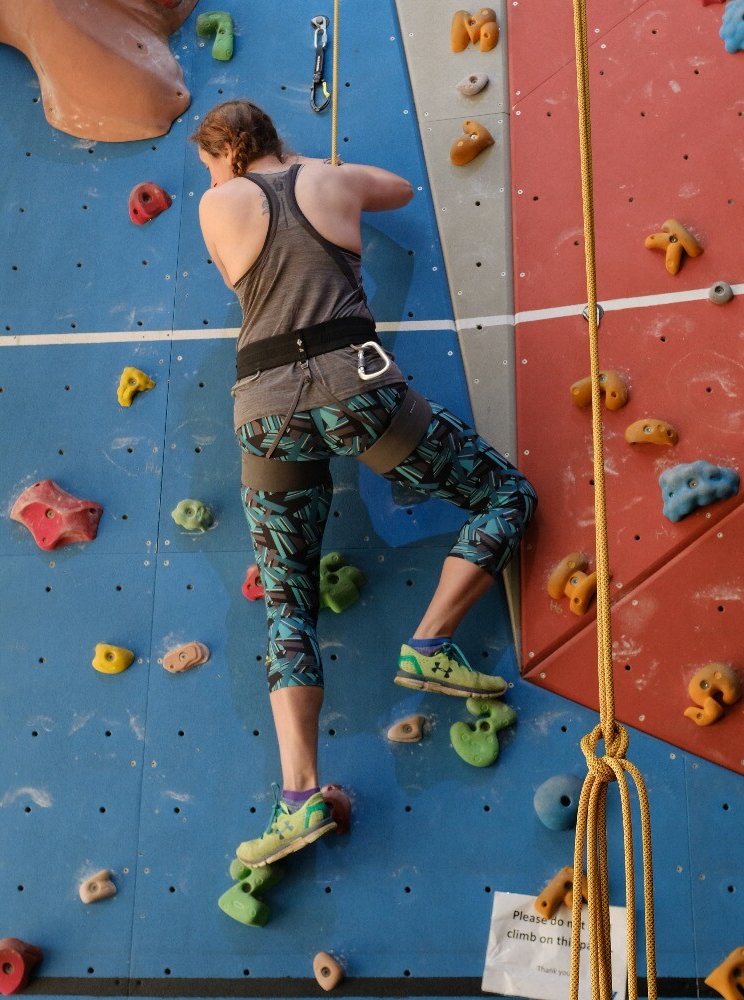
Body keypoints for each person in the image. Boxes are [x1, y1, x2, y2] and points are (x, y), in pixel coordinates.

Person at [191, 100, 536, 868]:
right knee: (505, 496)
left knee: (288, 603)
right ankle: (430, 641)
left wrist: (248, 182)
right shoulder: (332, 179)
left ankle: (298, 794)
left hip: (266, 407)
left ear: (224, 153)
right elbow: (400, 191)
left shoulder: (218, 203)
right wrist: (316, 169)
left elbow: (235, 275)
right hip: (358, 387)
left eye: (209, 161)